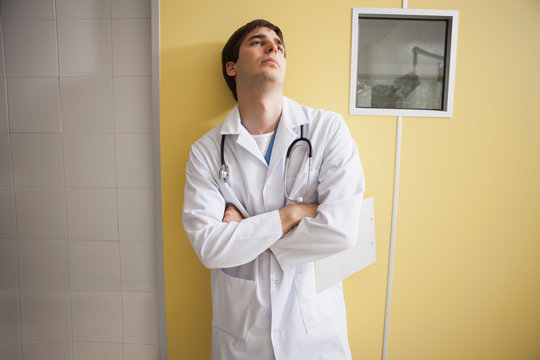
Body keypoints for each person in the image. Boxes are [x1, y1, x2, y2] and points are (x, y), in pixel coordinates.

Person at [183, 19, 365, 359]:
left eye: (278, 43)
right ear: (231, 67)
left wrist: (248, 233)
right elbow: (209, 247)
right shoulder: (206, 152)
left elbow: (341, 231)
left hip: (314, 336)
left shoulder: (327, 130)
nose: (274, 47)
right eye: (258, 41)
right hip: (242, 340)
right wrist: (293, 214)